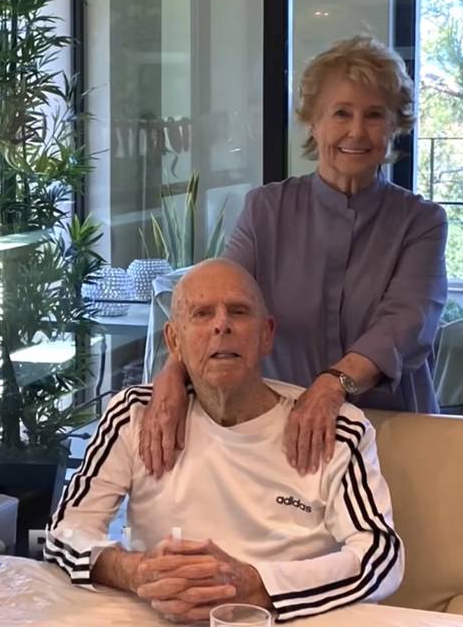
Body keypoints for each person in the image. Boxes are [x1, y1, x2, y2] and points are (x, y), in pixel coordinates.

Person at [142, 35, 448, 478]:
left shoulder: (421, 222)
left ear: (395, 127)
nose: (357, 132)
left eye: (374, 115)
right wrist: (174, 371)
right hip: (284, 437)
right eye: (341, 113)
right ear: (313, 123)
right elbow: (217, 301)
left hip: (391, 439)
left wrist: (331, 385)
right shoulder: (266, 210)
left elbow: (407, 323)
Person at [45, 259, 403, 624]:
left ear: (267, 335)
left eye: (238, 311)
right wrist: (134, 571)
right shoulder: (135, 414)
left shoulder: (333, 427)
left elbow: (381, 555)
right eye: (201, 314)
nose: (222, 325)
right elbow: (64, 532)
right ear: (174, 341)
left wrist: (259, 586)